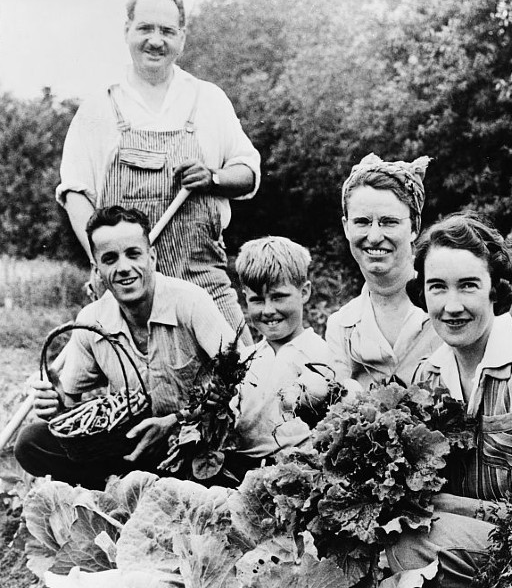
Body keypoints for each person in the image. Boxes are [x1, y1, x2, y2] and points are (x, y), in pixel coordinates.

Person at [56, 0, 260, 339]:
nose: (155, 41)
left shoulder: (208, 99)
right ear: (127, 32)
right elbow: (75, 194)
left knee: (243, 377)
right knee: (122, 387)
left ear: (182, 36)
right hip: (128, 290)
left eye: (166, 31)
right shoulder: (99, 108)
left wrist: (212, 177)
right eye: (145, 28)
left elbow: (248, 173)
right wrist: (104, 261)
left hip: (202, 282)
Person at [386, 213, 512, 587]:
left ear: (495, 290)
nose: (452, 306)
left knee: (411, 543)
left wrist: (447, 508)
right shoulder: (428, 376)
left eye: (468, 286)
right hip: (457, 553)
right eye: (438, 287)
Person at [15, 206, 237, 489]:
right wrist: (56, 405)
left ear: (152, 257)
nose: (123, 268)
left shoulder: (191, 303)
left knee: (216, 475)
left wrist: (175, 422)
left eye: (133, 254)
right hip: (132, 448)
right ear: (97, 270)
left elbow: (239, 379)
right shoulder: (91, 321)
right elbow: (70, 405)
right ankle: (114, 492)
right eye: (110, 259)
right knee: (32, 441)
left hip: (194, 446)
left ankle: (140, 493)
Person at [325, 153, 442, 389]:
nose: (375, 236)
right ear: (346, 227)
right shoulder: (341, 327)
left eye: (389, 222)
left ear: (414, 227)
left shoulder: (446, 307)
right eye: (362, 222)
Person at [227, 236, 339, 473]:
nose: (268, 310)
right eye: (257, 300)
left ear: (305, 292)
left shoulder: (322, 356)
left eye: (278, 297)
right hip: (238, 471)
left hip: (297, 473)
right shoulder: (246, 359)